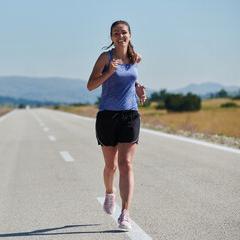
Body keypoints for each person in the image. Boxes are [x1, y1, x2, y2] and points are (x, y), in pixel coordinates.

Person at [87, 20, 146, 231]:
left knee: (126, 165)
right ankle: (110, 193)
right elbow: (90, 85)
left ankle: (125, 213)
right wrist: (108, 72)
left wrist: (138, 88)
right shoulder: (106, 58)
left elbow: (130, 80)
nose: (120, 36)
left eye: (124, 32)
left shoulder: (135, 58)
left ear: (130, 35)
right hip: (107, 117)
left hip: (130, 115)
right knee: (111, 166)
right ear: (111, 37)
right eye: (116, 33)